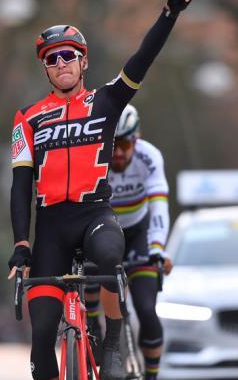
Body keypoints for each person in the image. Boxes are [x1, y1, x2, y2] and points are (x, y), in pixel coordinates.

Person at [6, 0, 193, 380]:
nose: (61, 63)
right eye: (52, 59)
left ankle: (111, 338)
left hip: (94, 215)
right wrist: (21, 242)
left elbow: (142, 59)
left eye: (68, 55)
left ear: (83, 61)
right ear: (46, 69)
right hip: (51, 226)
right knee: (40, 337)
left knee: (110, 256)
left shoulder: (106, 102)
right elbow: (20, 186)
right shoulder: (27, 119)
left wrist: (170, 13)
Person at [84, 104, 172, 380]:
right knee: (89, 278)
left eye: (124, 144)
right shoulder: (93, 158)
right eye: (112, 144)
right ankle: (92, 325)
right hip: (102, 229)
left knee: (146, 310)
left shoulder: (149, 157)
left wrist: (157, 248)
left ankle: (152, 376)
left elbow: (159, 205)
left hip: (138, 233)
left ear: (137, 138)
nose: (118, 152)